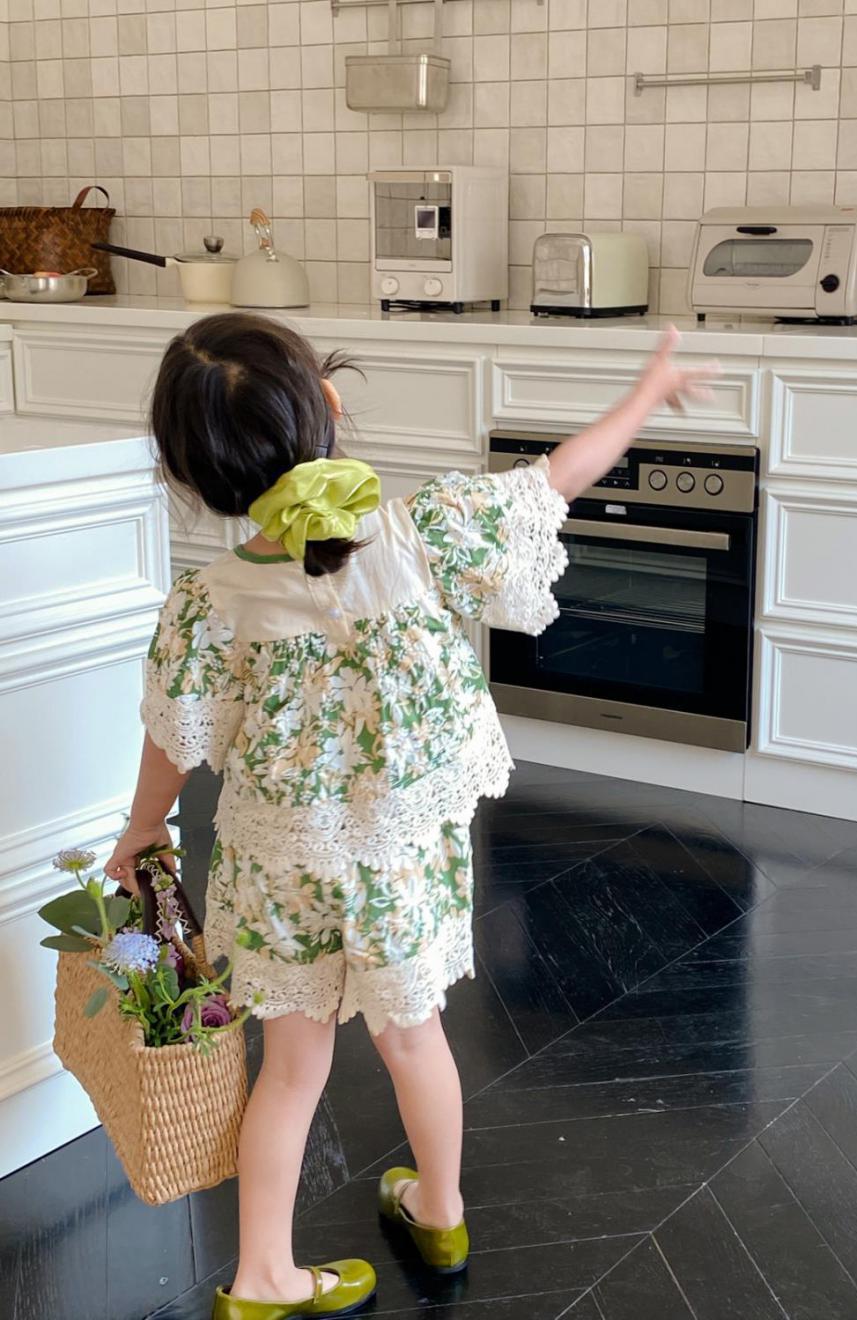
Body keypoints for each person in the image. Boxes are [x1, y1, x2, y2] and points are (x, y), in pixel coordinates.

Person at [104, 313, 717, 1320]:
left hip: (281, 866)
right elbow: (554, 480)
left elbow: (174, 736)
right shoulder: (422, 532)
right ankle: (438, 1212)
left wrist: (142, 830)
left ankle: (262, 1278)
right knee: (415, 1041)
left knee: (290, 1071)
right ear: (330, 405)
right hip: (397, 863)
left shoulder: (208, 603)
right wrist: (647, 395)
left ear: (188, 472)